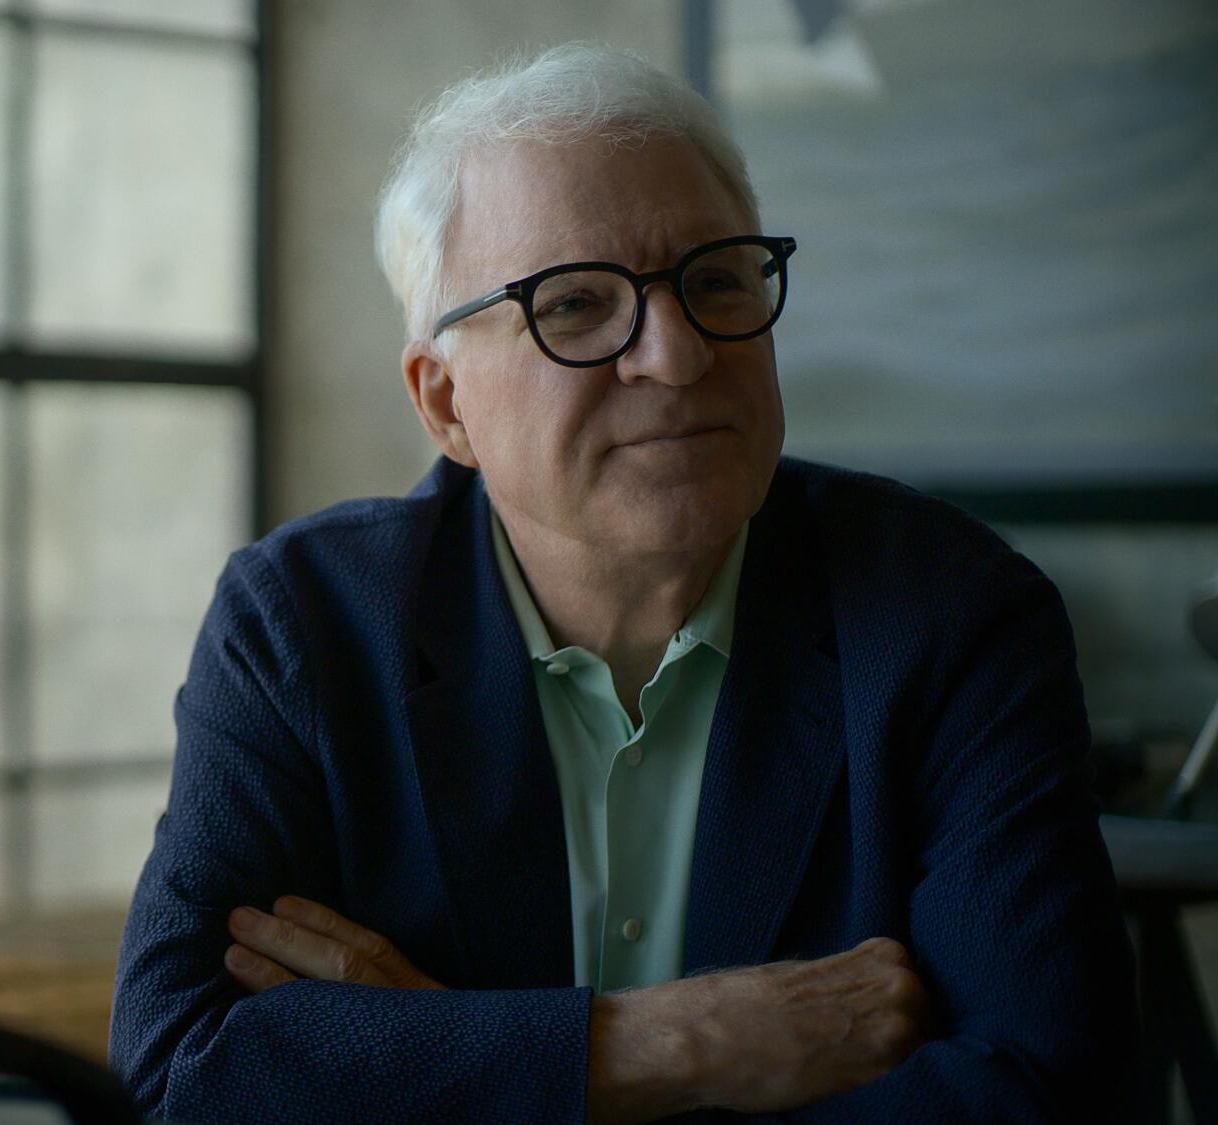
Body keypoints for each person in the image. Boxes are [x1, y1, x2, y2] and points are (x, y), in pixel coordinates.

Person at [107, 42, 1137, 1123]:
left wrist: (457, 1067)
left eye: (715, 281)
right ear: (445, 404)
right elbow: (186, 1072)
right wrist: (662, 1045)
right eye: (576, 306)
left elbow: (1041, 1092)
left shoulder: (952, 617)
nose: (676, 355)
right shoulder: (302, 624)